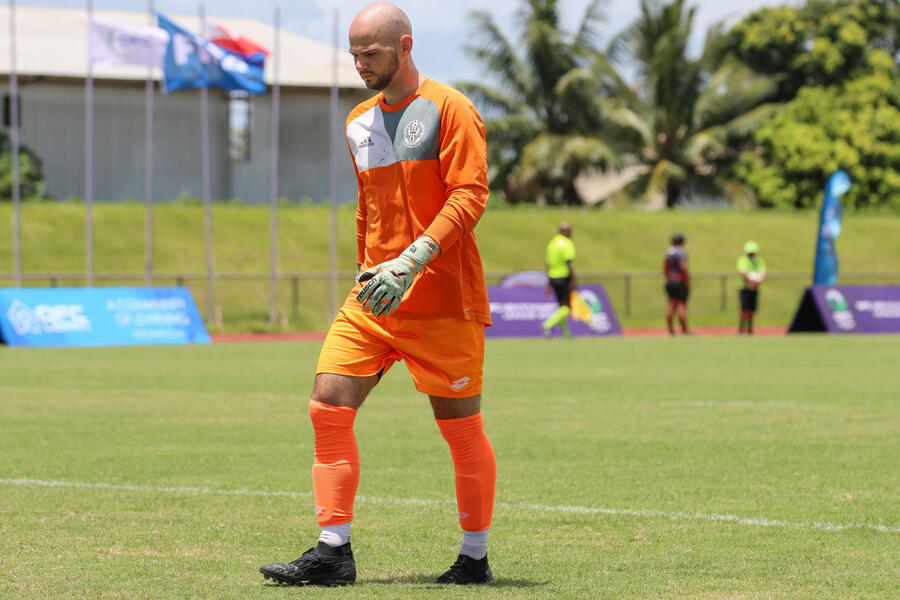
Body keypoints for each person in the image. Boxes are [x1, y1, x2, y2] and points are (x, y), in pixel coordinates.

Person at [259, 2, 496, 587]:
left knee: (460, 428)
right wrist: (370, 271)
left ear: (405, 46)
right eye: (354, 54)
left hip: (442, 299)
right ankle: (332, 551)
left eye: (371, 54)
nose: (360, 64)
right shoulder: (357, 122)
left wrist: (413, 260)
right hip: (375, 299)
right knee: (327, 404)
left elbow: (469, 195)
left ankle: (474, 557)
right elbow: (368, 208)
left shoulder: (451, 108)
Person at [541, 222, 577, 338]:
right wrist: (573, 279)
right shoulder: (566, 244)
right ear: (565, 231)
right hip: (563, 278)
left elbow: (549, 264)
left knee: (561, 307)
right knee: (566, 308)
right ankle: (548, 324)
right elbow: (569, 263)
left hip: (553, 278)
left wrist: (548, 283)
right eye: (570, 230)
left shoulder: (552, 244)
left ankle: (566, 333)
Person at [663, 233, 690, 335]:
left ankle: (670, 330)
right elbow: (683, 267)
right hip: (679, 280)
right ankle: (684, 330)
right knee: (680, 305)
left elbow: (665, 266)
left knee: (671, 304)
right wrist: (686, 281)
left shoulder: (668, 252)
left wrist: (668, 278)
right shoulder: (681, 252)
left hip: (670, 280)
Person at [737, 241, 767, 334]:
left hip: (754, 289)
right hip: (744, 288)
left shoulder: (759, 261)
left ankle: (750, 328)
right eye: (750, 253)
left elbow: (762, 274)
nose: (751, 255)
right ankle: (741, 329)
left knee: (751, 309)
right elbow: (743, 273)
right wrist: (750, 282)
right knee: (744, 309)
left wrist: (756, 284)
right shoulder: (742, 260)